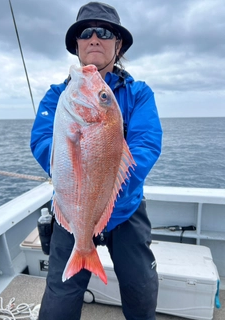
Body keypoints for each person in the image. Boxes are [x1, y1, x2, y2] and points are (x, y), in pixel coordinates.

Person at [30, 2, 162, 319]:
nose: (94, 38)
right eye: (84, 32)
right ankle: (81, 251)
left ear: (118, 45)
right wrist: (72, 155)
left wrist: (107, 181)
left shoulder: (138, 93)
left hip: (126, 207)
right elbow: (41, 140)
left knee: (142, 294)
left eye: (104, 32)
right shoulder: (57, 95)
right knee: (58, 305)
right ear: (76, 45)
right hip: (72, 207)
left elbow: (146, 144)